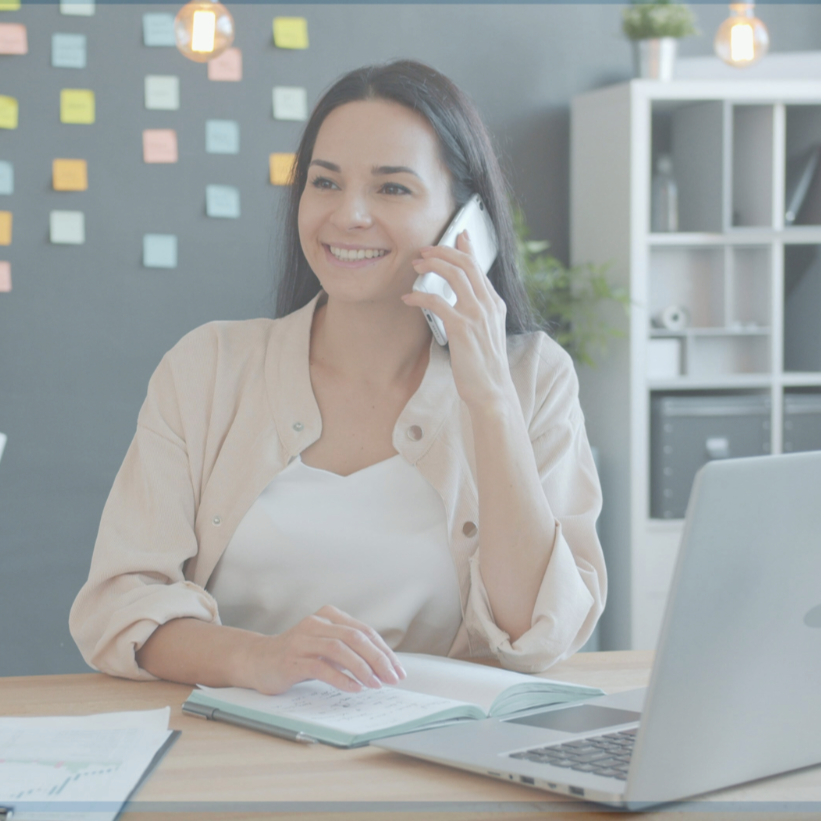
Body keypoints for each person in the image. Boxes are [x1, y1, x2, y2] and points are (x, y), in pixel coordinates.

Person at [69, 59, 606, 697]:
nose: (348, 214)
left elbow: (534, 636)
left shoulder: (533, 379)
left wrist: (490, 397)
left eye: (392, 188)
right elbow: (120, 605)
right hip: (229, 754)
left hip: (438, 759)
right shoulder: (207, 367)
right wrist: (261, 659)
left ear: (468, 225)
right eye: (324, 183)